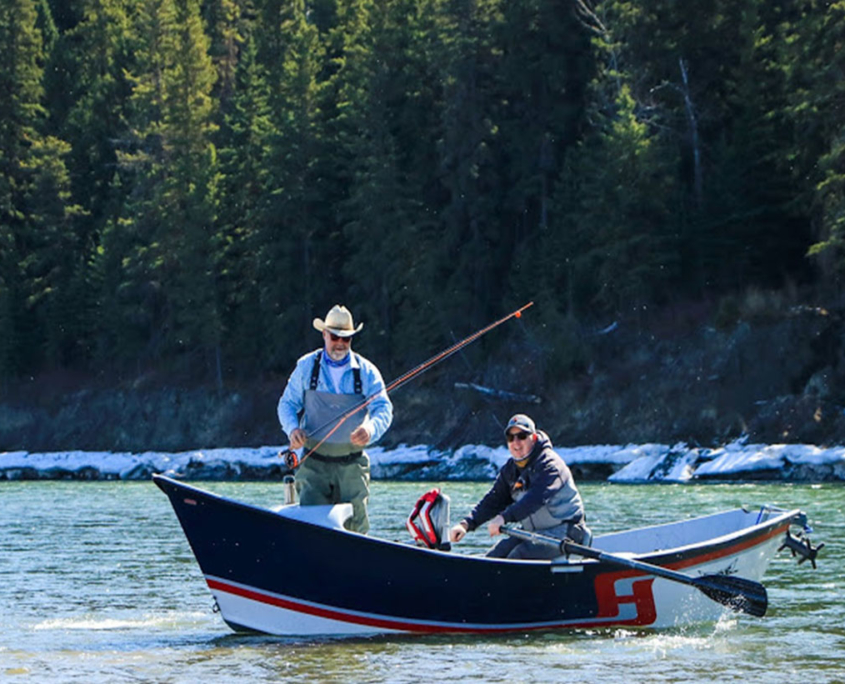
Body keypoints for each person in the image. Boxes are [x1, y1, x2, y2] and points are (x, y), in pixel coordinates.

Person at [278, 304, 393, 534]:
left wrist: (370, 429)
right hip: (313, 467)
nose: (340, 343)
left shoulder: (366, 371)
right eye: (335, 337)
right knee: (311, 530)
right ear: (324, 335)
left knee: (356, 530)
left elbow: (384, 408)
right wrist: (293, 430)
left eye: (346, 339)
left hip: (352, 467)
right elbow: (287, 405)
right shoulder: (306, 366)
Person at [449, 413, 590, 559]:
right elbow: (494, 500)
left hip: (567, 533)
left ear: (534, 438)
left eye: (522, 436)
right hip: (534, 534)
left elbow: (535, 499)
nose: (516, 443)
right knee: (496, 555)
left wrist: (504, 518)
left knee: (518, 555)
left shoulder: (551, 465)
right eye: (511, 438)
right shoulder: (510, 470)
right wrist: (467, 524)